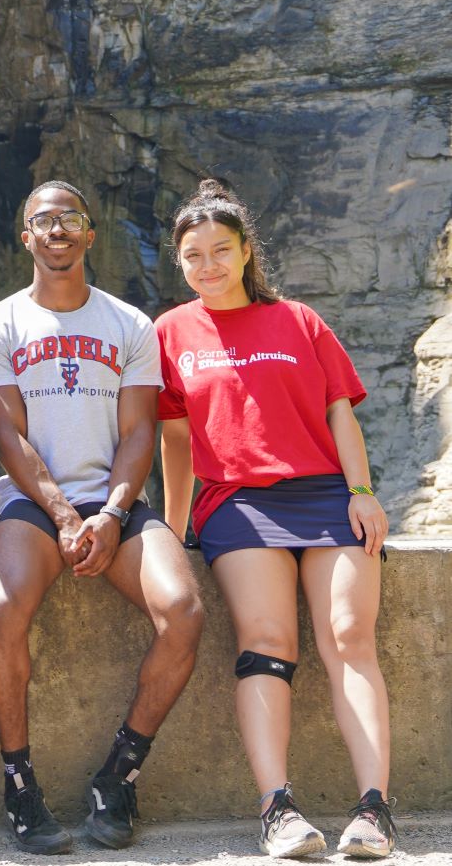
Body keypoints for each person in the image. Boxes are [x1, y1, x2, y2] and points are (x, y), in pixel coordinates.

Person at [157, 177, 396, 861]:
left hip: (324, 494)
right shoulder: (171, 331)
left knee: (349, 634)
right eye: (193, 254)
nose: (207, 265)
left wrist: (361, 489)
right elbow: (175, 443)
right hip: (235, 501)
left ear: (243, 252)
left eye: (219, 250)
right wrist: (174, 533)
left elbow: (337, 413)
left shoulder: (298, 320)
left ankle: (373, 808)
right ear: (179, 262)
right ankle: (277, 808)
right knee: (265, 639)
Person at [0, 178, 204, 855]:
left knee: (183, 609)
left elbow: (138, 432)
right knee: (1, 610)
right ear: (26, 237)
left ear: (89, 234)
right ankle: (19, 784)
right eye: (42, 219)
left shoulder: (128, 323)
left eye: (70, 217)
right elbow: (5, 433)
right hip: (32, 504)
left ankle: (117, 774)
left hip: (117, 501)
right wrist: (64, 515)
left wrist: (108, 512)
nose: (57, 229)